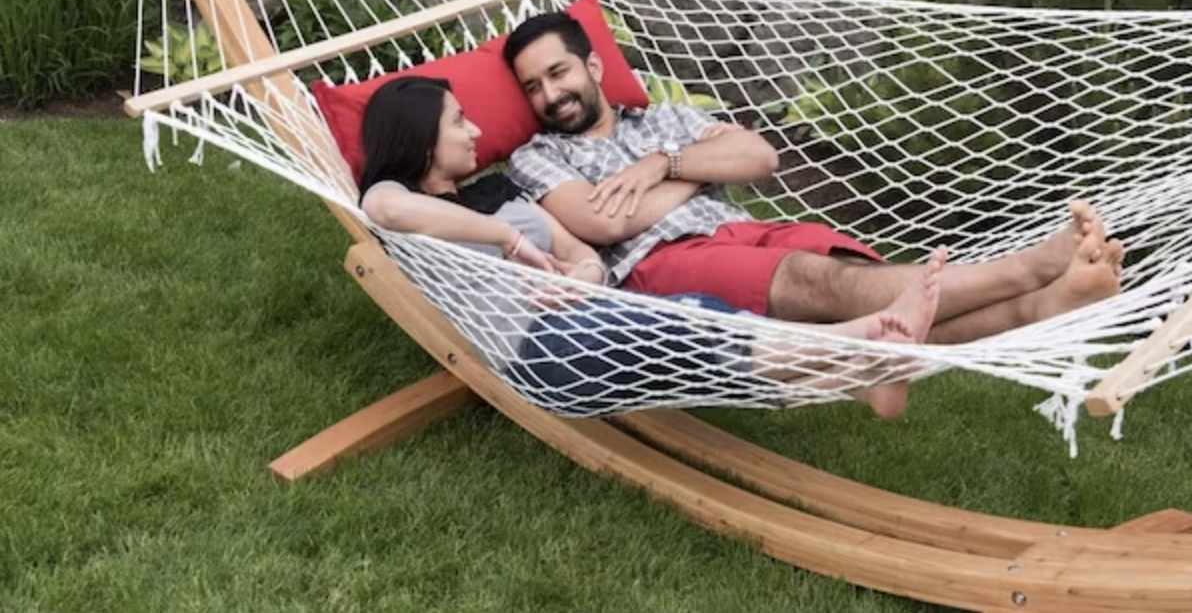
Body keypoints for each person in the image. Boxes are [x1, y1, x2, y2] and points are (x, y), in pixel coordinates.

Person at [502, 12, 1126, 345]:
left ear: (590, 65)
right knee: (818, 282)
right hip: (661, 264)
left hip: (743, 229)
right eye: (534, 86)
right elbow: (605, 221)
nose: (551, 95)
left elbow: (760, 157)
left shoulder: (664, 117)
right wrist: (693, 167)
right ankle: (1027, 269)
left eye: (558, 73)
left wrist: (661, 163)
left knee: (863, 290)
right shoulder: (534, 155)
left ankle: (1041, 306)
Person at [358, 75, 949, 418]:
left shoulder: (500, 189)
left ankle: (867, 371)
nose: (476, 131)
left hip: (590, 314)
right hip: (535, 350)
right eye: (459, 122)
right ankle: (867, 338)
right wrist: (508, 238)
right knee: (690, 329)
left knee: (701, 338)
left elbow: (582, 254)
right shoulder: (398, 199)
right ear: (420, 137)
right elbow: (382, 209)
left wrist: (581, 279)